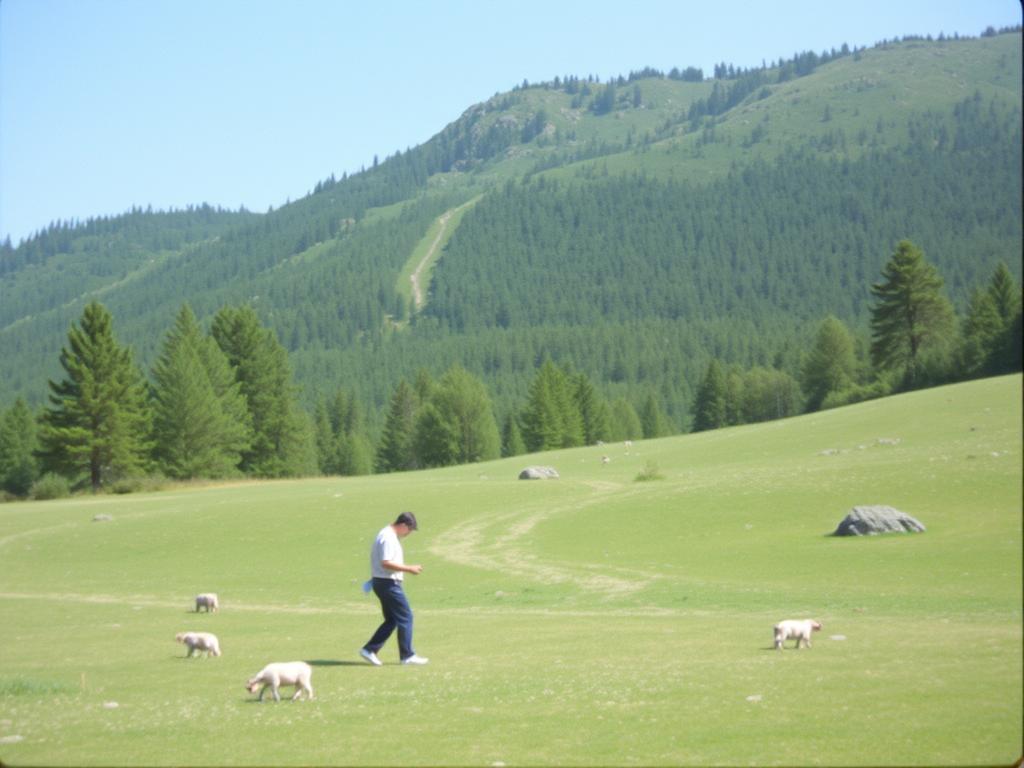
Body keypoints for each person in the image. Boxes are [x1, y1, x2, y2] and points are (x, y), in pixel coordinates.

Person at [359, 511, 429, 666]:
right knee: (406, 617)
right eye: (409, 530)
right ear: (403, 525)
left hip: (382, 582)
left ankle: (369, 649)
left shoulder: (386, 535)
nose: (409, 533)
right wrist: (409, 568)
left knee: (392, 620)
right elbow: (386, 562)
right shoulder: (388, 538)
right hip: (388, 583)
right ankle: (407, 655)